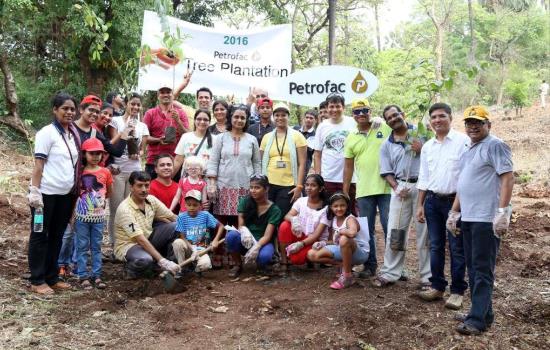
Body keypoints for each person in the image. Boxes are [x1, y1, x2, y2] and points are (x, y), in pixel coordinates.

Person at [446, 106, 513, 335]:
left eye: (478, 122)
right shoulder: (468, 149)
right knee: (473, 268)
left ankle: (476, 320)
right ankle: (484, 312)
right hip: (469, 217)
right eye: (469, 123)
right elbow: (463, 186)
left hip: (486, 218)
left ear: (488, 125)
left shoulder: (495, 145)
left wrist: (503, 212)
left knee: (482, 269)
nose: (473, 126)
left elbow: (507, 177)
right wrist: (454, 213)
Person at [416, 102, 470, 310]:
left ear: (450, 117)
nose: (437, 120)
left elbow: (466, 177)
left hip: (456, 202)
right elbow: (424, 176)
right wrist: (420, 204)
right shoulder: (428, 146)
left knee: (457, 248)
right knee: (436, 245)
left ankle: (457, 291)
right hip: (432, 201)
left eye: (441, 116)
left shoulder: (463, 142)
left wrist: (456, 208)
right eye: (434, 117)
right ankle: (437, 286)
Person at [27, 92, 81, 294]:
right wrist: (35, 191)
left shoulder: (71, 133)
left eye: (72, 109)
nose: (69, 112)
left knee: (57, 235)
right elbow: (39, 165)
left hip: (65, 196)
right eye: (65, 108)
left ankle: (52, 276)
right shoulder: (46, 133)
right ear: (55, 110)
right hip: (45, 196)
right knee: (40, 234)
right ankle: (37, 279)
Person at [375, 105, 430, 288]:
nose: (393, 119)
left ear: (403, 114)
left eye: (395, 115)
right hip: (401, 188)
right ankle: (391, 272)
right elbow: (386, 171)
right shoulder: (387, 145)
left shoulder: (421, 133)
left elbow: (435, 154)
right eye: (389, 118)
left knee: (424, 233)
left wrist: (422, 148)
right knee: (395, 231)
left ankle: (427, 277)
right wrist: (396, 187)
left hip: (423, 185)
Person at [342, 98, 390, 278]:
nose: (361, 114)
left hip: (387, 188)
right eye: (357, 111)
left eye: (365, 110)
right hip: (364, 190)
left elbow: (401, 134)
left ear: (370, 111)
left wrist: (383, 120)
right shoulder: (351, 137)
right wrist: (345, 191)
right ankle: (370, 265)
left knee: (389, 228)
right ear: (353, 115)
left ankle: (394, 268)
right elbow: (348, 166)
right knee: (366, 230)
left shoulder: (383, 128)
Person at [113, 171, 185, 279]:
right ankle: (130, 269)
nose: (144, 189)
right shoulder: (125, 209)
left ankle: (171, 265)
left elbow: (173, 217)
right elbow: (140, 239)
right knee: (145, 260)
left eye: (146, 185)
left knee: (175, 226)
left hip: (148, 238)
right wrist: (163, 261)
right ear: (131, 187)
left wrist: (194, 228)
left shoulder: (151, 200)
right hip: (129, 245)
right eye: (139, 186)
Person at [215, 174, 282, 277]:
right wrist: (244, 231)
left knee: (264, 257)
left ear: (266, 189)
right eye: (251, 187)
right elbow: (241, 225)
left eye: (257, 187)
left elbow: (268, 236)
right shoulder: (245, 202)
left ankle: (262, 265)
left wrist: (257, 247)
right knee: (231, 236)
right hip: (246, 239)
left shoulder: (274, 210)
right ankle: (238, 265)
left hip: (263, 242)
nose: (253, 190)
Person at [108, 93, 150, 252]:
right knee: (115, 209)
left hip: (135, 172)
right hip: (117, 171)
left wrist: (138, 153)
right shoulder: (115, 121)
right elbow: (114, 146)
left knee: (131, 209)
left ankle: (128, 245)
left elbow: (142, 151)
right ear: (126, 104)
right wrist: (126, 129)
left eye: (138, 105)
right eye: (132, 104)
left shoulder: (143, 126)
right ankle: (114, 245)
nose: (135, 107)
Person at [206, 104, 261, 225]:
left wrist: (257, 186)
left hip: (245, 187)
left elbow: (257, 163)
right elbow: (213, 161)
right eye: (236, 117)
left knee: (242, 221)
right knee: (221, 223)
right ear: (230, 117)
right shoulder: (221, 138)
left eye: (243, 118)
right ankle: (219, 244)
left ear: (246, 120)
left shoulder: (252, 139)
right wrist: (211, 184)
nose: (239, 120)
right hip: (223, 186)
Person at [307, 192, 370, 290]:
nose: (339, 208)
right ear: (331, 207)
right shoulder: (334, 219)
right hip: (343, 248)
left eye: (342, 205)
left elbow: (352, 233)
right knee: (312, 254)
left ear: (347, 206)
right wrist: (322, 243)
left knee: (344, 238)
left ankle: (347, 276)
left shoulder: (350, 219)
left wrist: (341, 231)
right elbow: (333, 241)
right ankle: (343, 266)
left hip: (359, 253)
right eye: (335, 206)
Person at [74, 138, 113, 290]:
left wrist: (99, 203)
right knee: (82, 246)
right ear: (84, 154)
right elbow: (75, 193)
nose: (96, 156)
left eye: (99, 154)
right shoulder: (80, 171)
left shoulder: (105, 172)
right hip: (81, 217)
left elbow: (109, 192)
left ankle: (97, 275)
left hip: (98, 217)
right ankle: (83, 275)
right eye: (92, 153)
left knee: (96, 246)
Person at [260, 102, 307, 216]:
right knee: (268, 217)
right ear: (273, 117)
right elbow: (261, 162)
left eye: (283, 115)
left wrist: (299, 186)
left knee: (281, 216)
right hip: (268, 184)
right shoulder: (266, 137)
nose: (280, 118)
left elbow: (302, 163)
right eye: (277, 115)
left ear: (288, 117)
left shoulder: (297, 136)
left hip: (288, 185)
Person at [313, 94, 358, 201]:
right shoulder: (322, 126)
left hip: (352, 178)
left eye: (338, 106)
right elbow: (317, 154)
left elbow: (368, 124)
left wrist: (376, 120)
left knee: (352, 211)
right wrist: (318, 176)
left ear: (343, 107)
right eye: (331, 106)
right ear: (327, 108)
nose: (334, 109)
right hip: (328, 177)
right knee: (329, 211)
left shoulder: (353, 122)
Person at [279, 174, 329, 267]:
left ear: (321, 188)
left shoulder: (325, 209)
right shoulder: (301, 201)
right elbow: (287, 215)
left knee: (296, 259)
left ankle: (310, 257)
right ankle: (284, 260)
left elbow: (316, 235)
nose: (309, 188)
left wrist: (301, 244)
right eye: (307, 185)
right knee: (284, 225)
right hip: (300, 234)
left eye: (313, 185)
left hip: (314, 241)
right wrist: (293, 219)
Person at [143, 85, 190, 179]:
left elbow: (186, 135)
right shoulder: (150, 113)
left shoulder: (180, 113)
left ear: (172, 95)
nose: (165, 95)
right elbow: (144, 137)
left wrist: (178, 121)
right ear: (158, 95)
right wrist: (158, 140)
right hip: (153, 161)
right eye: (162, 92)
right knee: (152, 192)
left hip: (175, 162)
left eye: (168, 92)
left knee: (174, 192)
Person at [175, 190, 225, 273]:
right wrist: (193, 249)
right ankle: (182, 269)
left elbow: (221, 226)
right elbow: (182, 237)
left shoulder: (205, 215)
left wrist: (216, 240)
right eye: (189, 205)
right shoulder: (181, 217)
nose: (191, 207)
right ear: (185, 205)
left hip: (202, 250)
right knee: (177, 242)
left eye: (195, 205)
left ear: (200, 205)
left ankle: (194, 269)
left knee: (205, 265)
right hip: (188, 248)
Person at [173, 109, 213, 177]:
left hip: (206, 181)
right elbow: (178, 161)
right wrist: (168, 179)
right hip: (187, 182)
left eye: (205, 119)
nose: (202, 122)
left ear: (209, 122)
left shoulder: (215, 139)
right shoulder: (186, 137)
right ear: (194, 120)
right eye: (199, 119)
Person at [294, 109, 317, 176]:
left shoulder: (315, 135)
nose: (308, 119)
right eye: (307, 117)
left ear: (315, 120)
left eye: (311, 118)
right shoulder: (295, 129)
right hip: (292, 161)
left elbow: (310, 151)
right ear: (303, 118)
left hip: (305, 164)